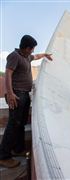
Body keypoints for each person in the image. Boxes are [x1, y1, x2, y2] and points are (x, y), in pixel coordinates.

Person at [0, 35, 53, 168]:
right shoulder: (14, 56)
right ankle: (3, 156)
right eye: (32, 48)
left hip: (24, 94)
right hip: (16, 94)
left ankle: (18, 149)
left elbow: (36, 56)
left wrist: (45, 55)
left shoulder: (27, 56)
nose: (33, 51)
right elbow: (8, 74)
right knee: (13, 124)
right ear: (27, 48)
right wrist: (10, 93)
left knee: (21, 124)